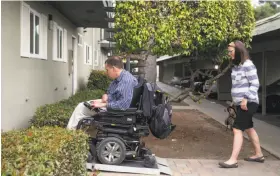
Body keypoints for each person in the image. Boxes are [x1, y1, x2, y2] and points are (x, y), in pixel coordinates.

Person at [219, 41, 264, 168]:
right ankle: (259, 154)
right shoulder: (237, 67)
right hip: (240, 103)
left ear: (238, 50)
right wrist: (235, 102)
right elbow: (237, 86)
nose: (229, 54)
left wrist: (245, 98)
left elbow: (255, 84)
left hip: (248, 102)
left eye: (230, 51)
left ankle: (233, 160)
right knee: (249, 128)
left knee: (237, 128)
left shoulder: (248, 64)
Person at [67, 56, 138, 130]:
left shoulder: (126, 81)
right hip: (112, 103)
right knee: (84, 105)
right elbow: (115, 95)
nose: (106, 73)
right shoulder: (120, 78)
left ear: (113, 68)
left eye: (107, 70)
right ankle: (74, 131)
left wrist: (102, 104)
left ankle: (70, 133)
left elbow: (123, 104)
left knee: (81, 108)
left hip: (116, 110)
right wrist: (107, 96)